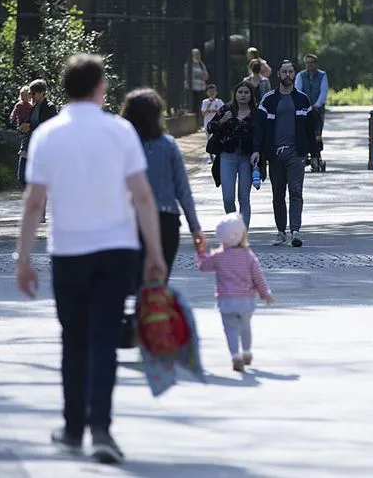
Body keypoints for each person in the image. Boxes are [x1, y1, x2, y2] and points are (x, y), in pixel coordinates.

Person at [14, 54, 167, 464]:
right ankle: (101, 428)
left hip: (69, 252)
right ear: (100, 88)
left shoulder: (48, 136)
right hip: (117, 250)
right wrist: (154, 252)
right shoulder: (120, 132)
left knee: (74, 340)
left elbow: (33, 204)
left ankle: (71, 428)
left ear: (65, 88)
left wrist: (23, 258)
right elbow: (143, 195)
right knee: (104, 340)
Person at [120, 87, 206, 284]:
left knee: (132, 284)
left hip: (131, 222)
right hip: (166, 221)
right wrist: (195, 228)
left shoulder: (123, 146)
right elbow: (183, 189)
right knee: (157, 287)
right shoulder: (168, 145)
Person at [253, 60, 319, 247]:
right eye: (284, 72)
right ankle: (281, 232)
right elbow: (258, 127)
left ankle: (295, 231)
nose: (287, 75)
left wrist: (314, 155)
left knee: (296, 191)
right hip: (274, 154)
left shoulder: (302, 99)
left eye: (290, 72)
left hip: (296, 154)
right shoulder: (268, 99)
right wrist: (257, 150)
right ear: (278, 75)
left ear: (294, 74)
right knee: (278, 193)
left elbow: (310, 130)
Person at [197, 213, 273, 372]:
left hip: (226, 301)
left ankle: (235, 356)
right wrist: (265, 294)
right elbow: (258, 277)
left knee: (230, 329)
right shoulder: (249, 256)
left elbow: (204, 266)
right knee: (245, 327)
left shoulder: (218, 256)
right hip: (246, 300)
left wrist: (201, 251)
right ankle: (246, 351)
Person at [207, 81, 259, 228]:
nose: (243, 95)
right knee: (228, 198)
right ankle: (234, 226)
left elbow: (261, 135)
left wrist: (258, 152)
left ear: (251, 95)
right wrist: (222, 120)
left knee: (244, 198)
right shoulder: (226, 109)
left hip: (247, 158)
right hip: (227, 156)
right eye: (240, 92)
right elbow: (210, 127)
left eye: (246, 92)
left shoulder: (256, 113)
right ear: (235, 94)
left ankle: (242, 234)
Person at [23, 79, 57, 222]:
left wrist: (30, 127)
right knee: (22, 176)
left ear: (42, 92)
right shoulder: (31, 107)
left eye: (34, 93)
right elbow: (27, 126)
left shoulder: (50, 107)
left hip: (44, 147)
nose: (32, 95)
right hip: (28, 145)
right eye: (30, 93)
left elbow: (49, 126)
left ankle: (40, 213)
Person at [295, 53, 328, 165]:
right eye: (307, 63)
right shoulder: (301, 75)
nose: (309, 65)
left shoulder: (322, 75)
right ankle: (304, 152)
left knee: (317, 132)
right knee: (303, 131)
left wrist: (317, 104)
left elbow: (323, 91)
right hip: (304, 109)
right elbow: (298, 90)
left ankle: (317, 154)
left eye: (312, 63)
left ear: (315, 64)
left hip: (317, 110)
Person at [9, 85, 33, 186]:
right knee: (22, 176)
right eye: (22, 96)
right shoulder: (19, 105)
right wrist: (12, 119)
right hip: (22, 124)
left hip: (29, 127)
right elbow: (14, 113)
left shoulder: (32, 107)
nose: (23, 98)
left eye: (25, 95)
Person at [185, 48, 209, 116]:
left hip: (201, 88)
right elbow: (189, 75)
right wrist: (201, 75)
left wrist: (204, 76)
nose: (198, 56)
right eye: (196, 54)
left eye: (199, 54)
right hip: (193, 88)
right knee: (194, 106)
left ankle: (200, 120)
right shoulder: (189, 64)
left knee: (200, 105)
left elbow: (206, 76)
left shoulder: (202, 64)